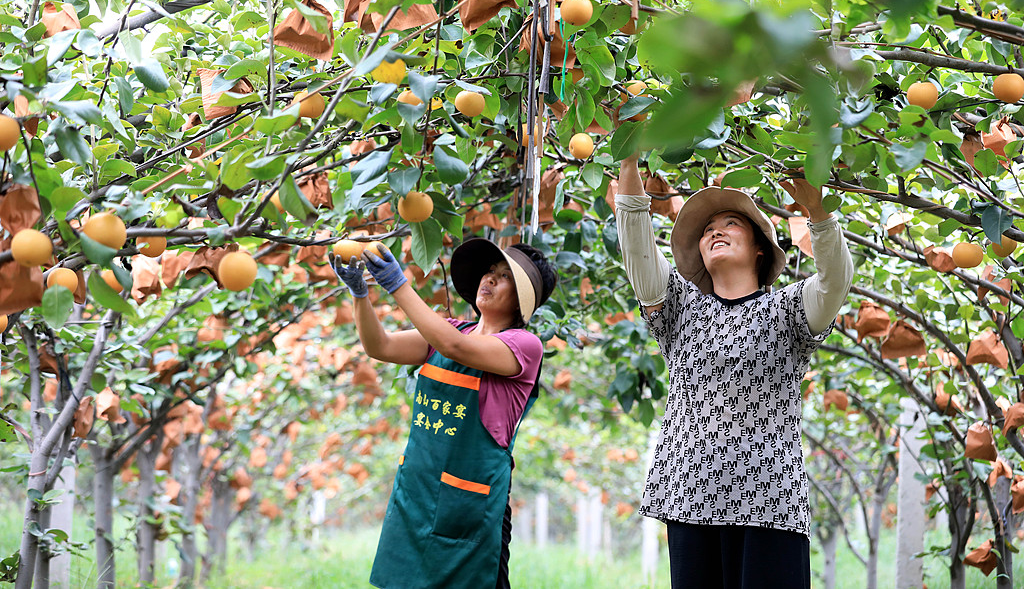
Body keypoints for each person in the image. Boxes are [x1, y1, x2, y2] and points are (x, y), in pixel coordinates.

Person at [615, 153, 853, 589]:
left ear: (761, 248)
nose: (715, 232)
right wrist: (628, 159)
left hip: (770, 501)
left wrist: (818, 212)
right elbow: (637, 248)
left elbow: (835, 281)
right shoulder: (682, 308)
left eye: (730, 224)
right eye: (707, 231)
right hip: (689, 497)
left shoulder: (788, 309)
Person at [331, 238, 557, 589]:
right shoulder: (451, 330)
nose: (491, 279)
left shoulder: (525, 346)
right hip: (417, 495)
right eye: (490, 271)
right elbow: (381, 346)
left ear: (522, 300)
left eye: (504, 276)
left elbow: (455, 348)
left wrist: (398, 285)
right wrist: (361, 295)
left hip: (469, 507)